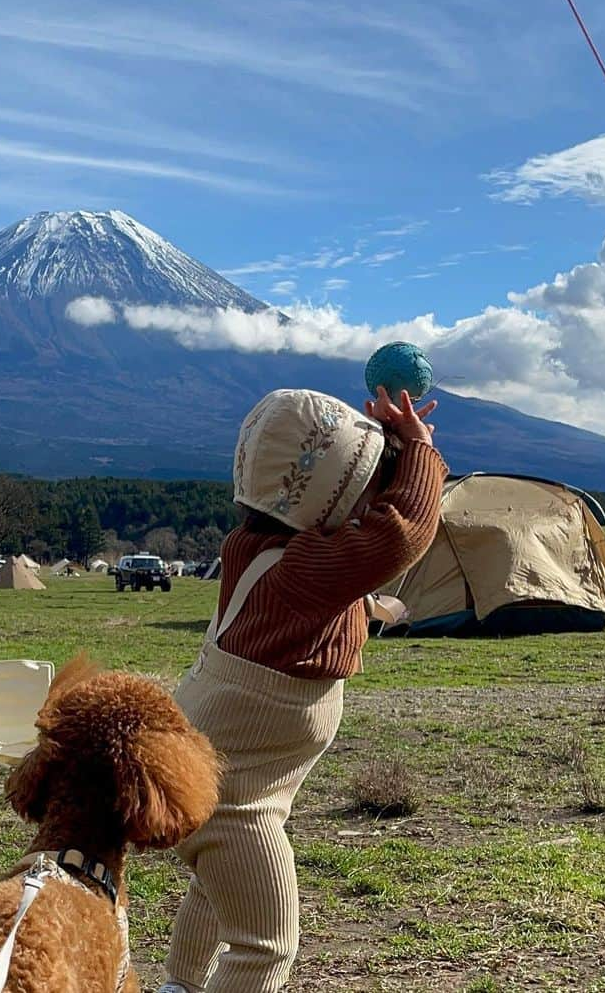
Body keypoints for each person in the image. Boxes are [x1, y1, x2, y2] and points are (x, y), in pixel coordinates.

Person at [158, 385, 446, 993]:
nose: (374, 505)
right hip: (236, 799)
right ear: (324, 500)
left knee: (217, 891)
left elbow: (304, 621)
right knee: (266, 947)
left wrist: (372, 611)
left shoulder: (259, 551)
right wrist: (419, 453)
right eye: (367, 489)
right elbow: (402, 535)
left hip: (214, 777)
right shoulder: (303, 570)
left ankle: (178, 985)